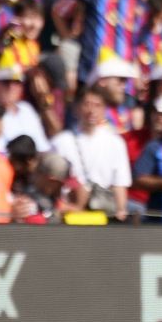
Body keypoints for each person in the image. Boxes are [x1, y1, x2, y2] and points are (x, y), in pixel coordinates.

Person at [51, 84, 132, 222]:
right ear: (77, 108)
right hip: (69, 214)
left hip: (102, 214)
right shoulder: (61, 141)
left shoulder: (116, 143)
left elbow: (120, 184)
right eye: (87, 104)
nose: (91, 110)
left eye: (97, 105)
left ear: (104, 109)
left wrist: (121, 211)